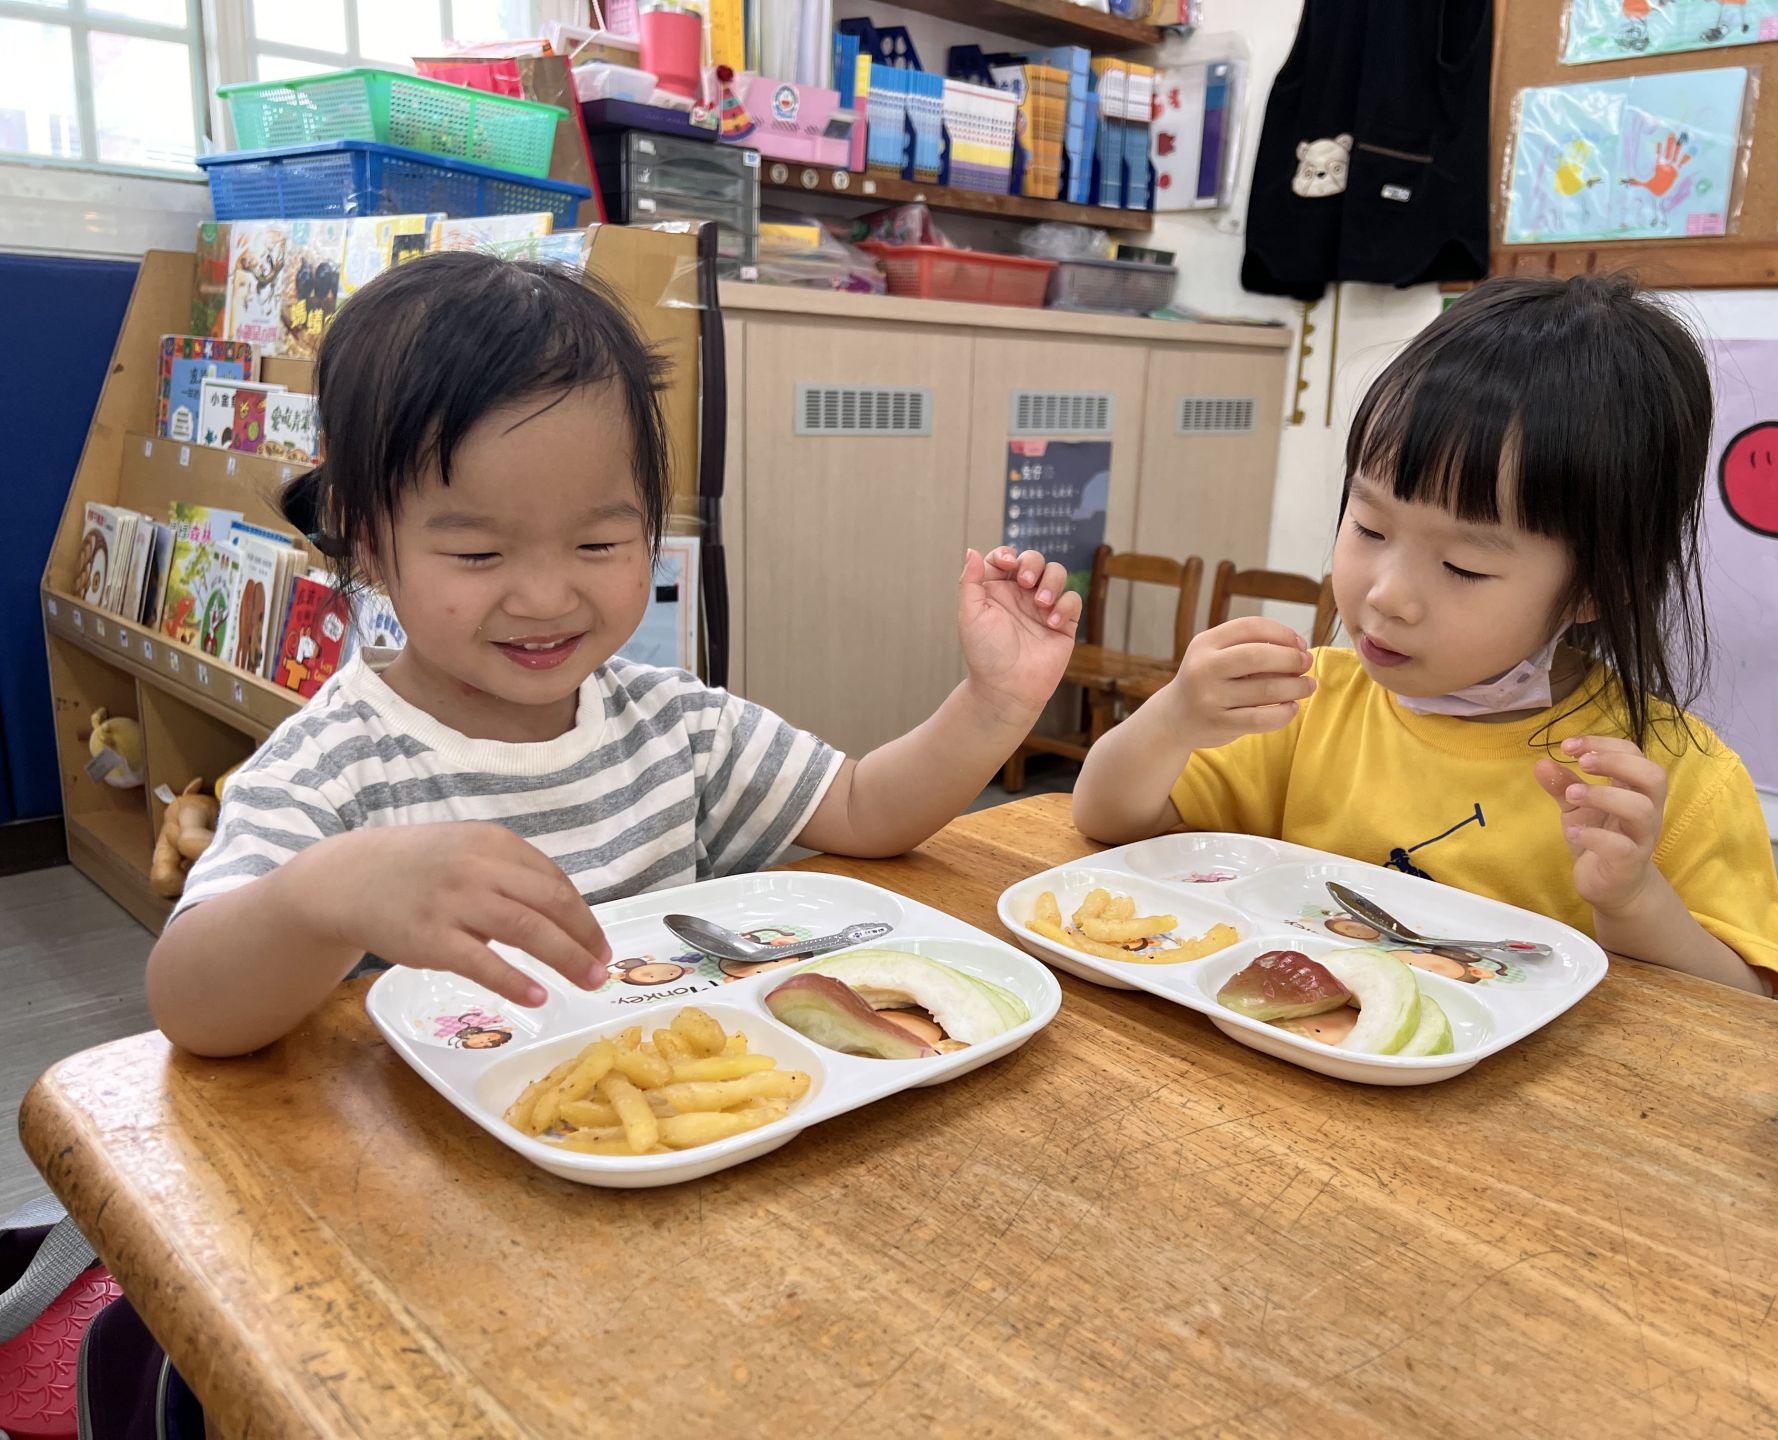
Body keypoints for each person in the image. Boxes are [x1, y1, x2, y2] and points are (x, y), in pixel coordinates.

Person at [148, 253, 1084, 1055]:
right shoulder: (332, 768)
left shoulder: (673, 724)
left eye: (599, 543)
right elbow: (191, 1008)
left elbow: (864, 808)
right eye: (478, 554)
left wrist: (993, 704)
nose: (547, 597)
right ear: (366, 540)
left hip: (687, 1130)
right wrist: (326, 892)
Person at [1073, 274, 1778, 995]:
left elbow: (1750, 1012)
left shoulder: (1671, 778)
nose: (1387, 595)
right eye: (1368, 526)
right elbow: (1107, 820)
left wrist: (1635, 899)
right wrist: (1172, 720)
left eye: (1462, 566)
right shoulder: (1307, 703)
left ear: (1596, 586)